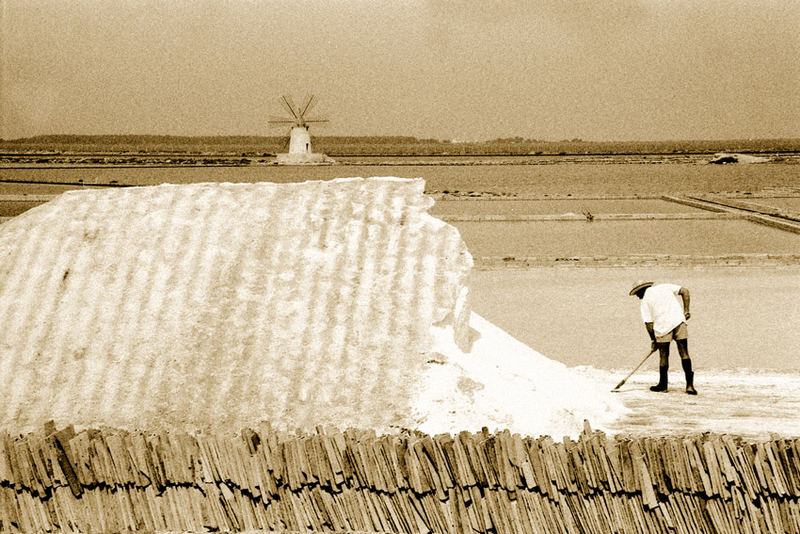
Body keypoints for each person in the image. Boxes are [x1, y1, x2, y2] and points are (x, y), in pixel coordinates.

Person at [629, 281, 697, 395]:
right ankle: (690, 386)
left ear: (641, 291)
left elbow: (649, 324)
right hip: (679, 322)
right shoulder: (665, 287)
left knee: (664, 355)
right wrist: (686, 310)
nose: (637, 297)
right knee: (684, 353)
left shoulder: (645, 302)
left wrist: (653, 340)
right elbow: (685, 291)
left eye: (637, 294)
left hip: (662, 328)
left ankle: (663, 385)